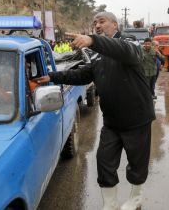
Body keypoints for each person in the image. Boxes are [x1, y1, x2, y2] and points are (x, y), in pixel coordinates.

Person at [34, 12, 155, 210]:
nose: (97, 25)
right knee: (104, 161)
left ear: (115, 25)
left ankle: (136, 197)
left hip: (136, 119)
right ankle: (110, 203)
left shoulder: (130, 44)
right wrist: (53, 76)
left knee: (137, 162)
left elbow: (123, 50)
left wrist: (92, 40)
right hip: (112, 122)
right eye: (95, 23)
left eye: (102, 21)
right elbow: (84, 74)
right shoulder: (98, 55)